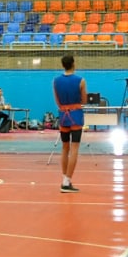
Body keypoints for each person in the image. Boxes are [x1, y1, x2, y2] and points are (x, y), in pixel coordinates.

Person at [53, 54, 86, 193]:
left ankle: (64, 179)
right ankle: (67, 182)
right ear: (73, 64)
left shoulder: (56, 81)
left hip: (63, 116)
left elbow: (57, 101)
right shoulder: (81, 80)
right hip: (76, 116)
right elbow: (84, 100)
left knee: (65, 147)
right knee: (74, 148)